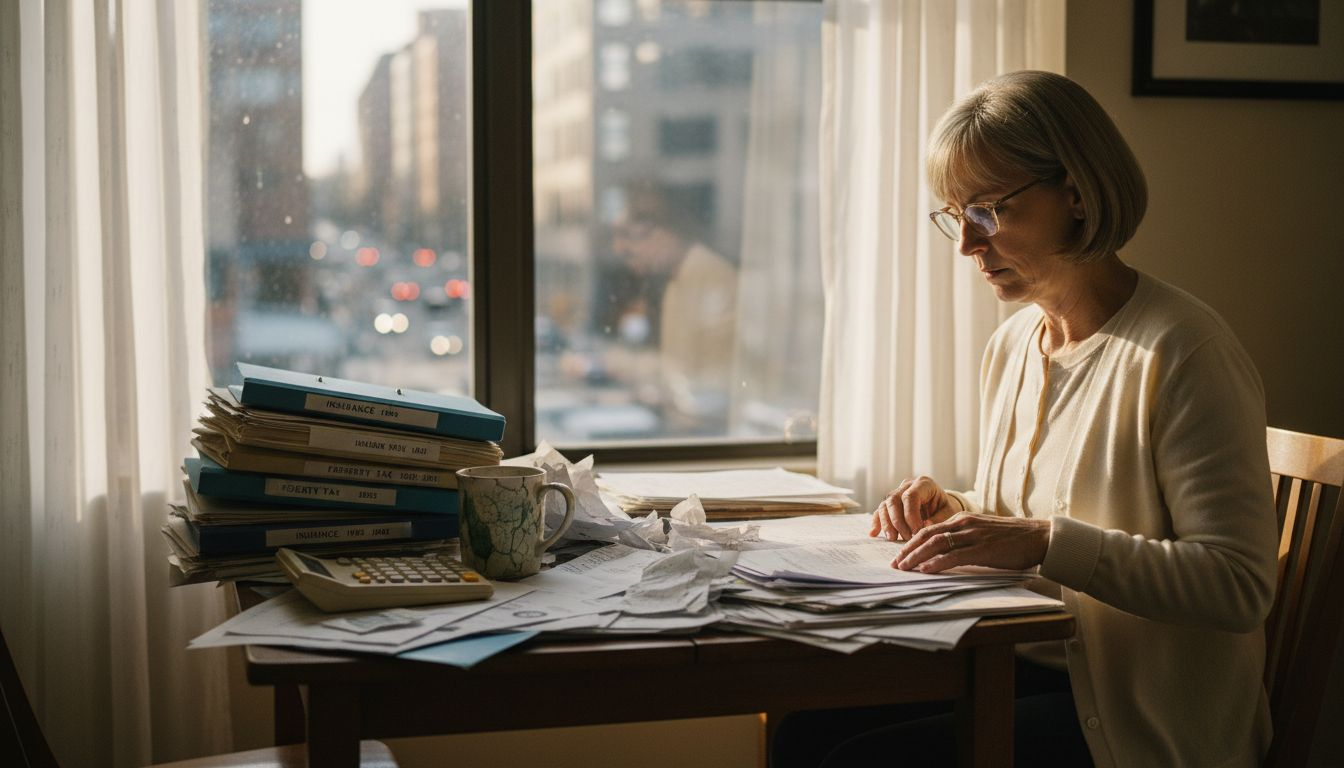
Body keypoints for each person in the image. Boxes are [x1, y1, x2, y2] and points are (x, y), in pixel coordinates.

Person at [774, 71, 1278, 767]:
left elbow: (1238, 585)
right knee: (802, 727)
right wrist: (953, 510)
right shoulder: (1014, 344)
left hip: (1137, 723)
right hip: (1025, 667)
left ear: (1075, 192)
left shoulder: (1184, 350)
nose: (966, 247)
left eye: (987, 212)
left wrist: (1040, 540)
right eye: (955, 217)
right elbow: (1041, 514)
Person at [611, 184, 738, 433]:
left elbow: (711, 381)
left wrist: (630, 366)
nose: (620, 248)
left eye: (629, 235)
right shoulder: (677, 281)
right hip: (690, 421)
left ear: (665, 232)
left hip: (708, 428)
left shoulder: (713, 277)